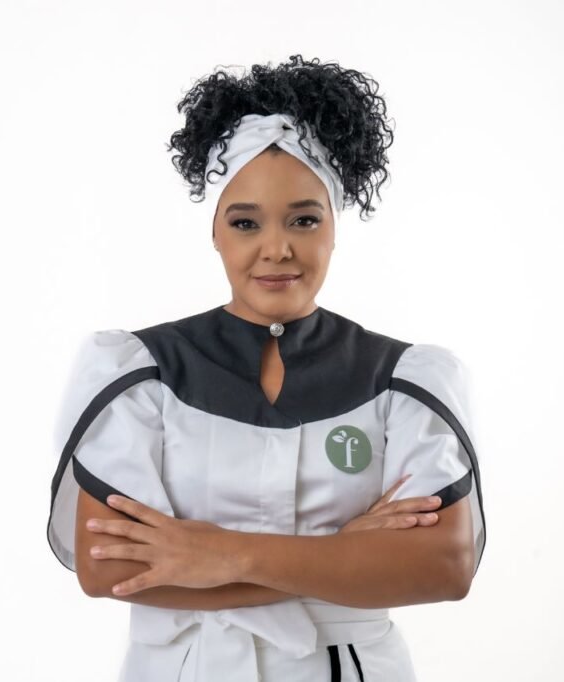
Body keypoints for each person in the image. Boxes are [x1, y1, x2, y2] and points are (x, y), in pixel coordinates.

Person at [46, 54, 486, 682]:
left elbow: (444, 566)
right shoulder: (141, 373)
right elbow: (109, 566)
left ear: (334, 226)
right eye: (246, 222)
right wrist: (344, 556)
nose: (276, 248)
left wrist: (220, 555)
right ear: (216, 232)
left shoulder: (403, 381)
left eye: (304, 219)